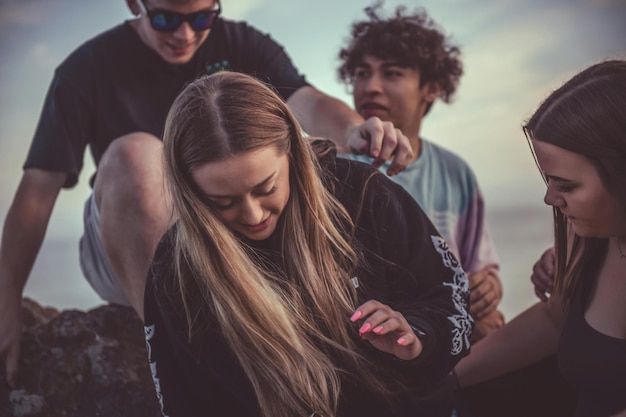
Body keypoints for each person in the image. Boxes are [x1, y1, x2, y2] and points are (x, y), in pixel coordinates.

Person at [0, 0, 414, 388]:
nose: (184, 34)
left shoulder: (241, 44)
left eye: (201, 18)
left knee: (300, 156)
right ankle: (186, 355)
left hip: (231, 231)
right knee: (137, 156)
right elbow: (38, 191)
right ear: (134, 4)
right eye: (165, 19)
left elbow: (307, 102)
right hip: (128, 242)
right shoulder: (85, 70)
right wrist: (7, 295)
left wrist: (353, 130)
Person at [143, 71, 472, 417]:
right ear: (189, 191)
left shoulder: (361, 194)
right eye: (222, 202)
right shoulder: (175, 270)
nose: (253, 214)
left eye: (266, 188)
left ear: (293, 153)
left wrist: (416, 337)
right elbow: (184, 403)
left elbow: (452, 297)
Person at [455, 59, 626, 417]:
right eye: (548, 180)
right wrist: (439, 381)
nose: (550, 198)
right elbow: (555, 318)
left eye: (567, 185)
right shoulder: (585, 236)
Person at [336, 4, 504, 342]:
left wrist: (489, 286)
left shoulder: (455, 172)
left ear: (432, 88)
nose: (371, 87)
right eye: (362, 73)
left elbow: (479, 265)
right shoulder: (336, 170)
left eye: (392, 73)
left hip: (443, 340)